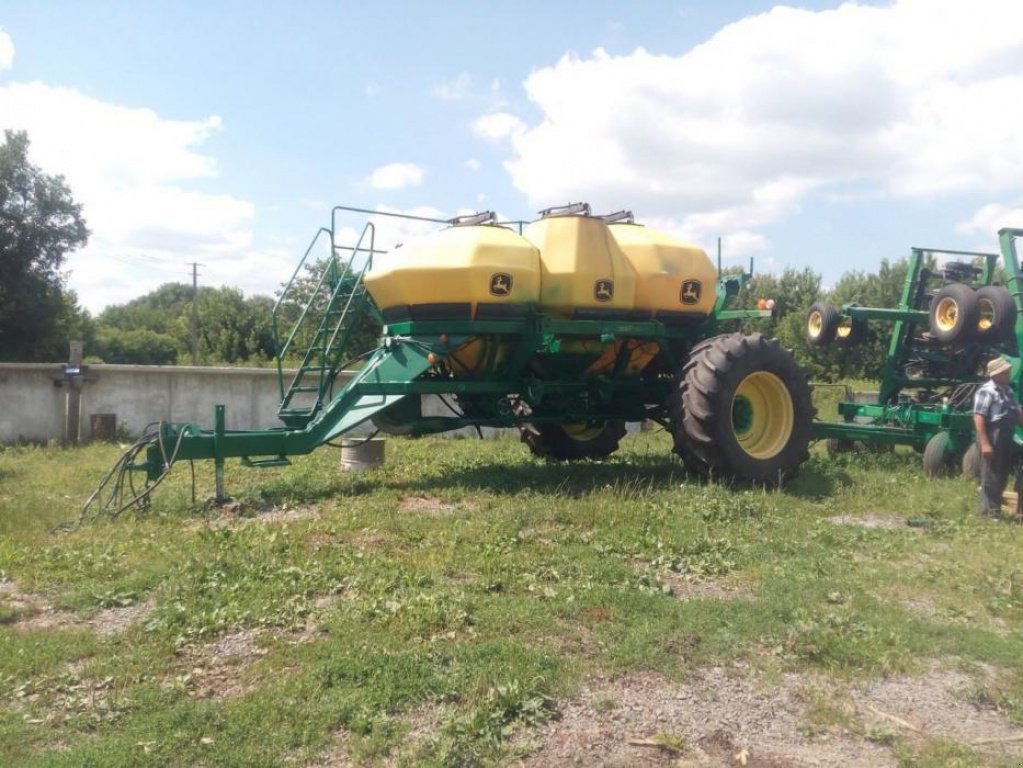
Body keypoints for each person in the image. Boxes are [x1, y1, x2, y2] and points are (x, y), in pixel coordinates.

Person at [973, 357, 1023, 516]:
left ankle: (995, 509)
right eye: (1005, 373)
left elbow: (1017, 414)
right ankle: (989, 512)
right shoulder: (986, 391)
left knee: (1002, 473)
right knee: (990, 474)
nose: (1008, 375)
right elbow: (979, 416)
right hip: (993, 433)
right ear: (996, 374)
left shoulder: (1008, 391)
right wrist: (985, 442)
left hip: (1007, 433)